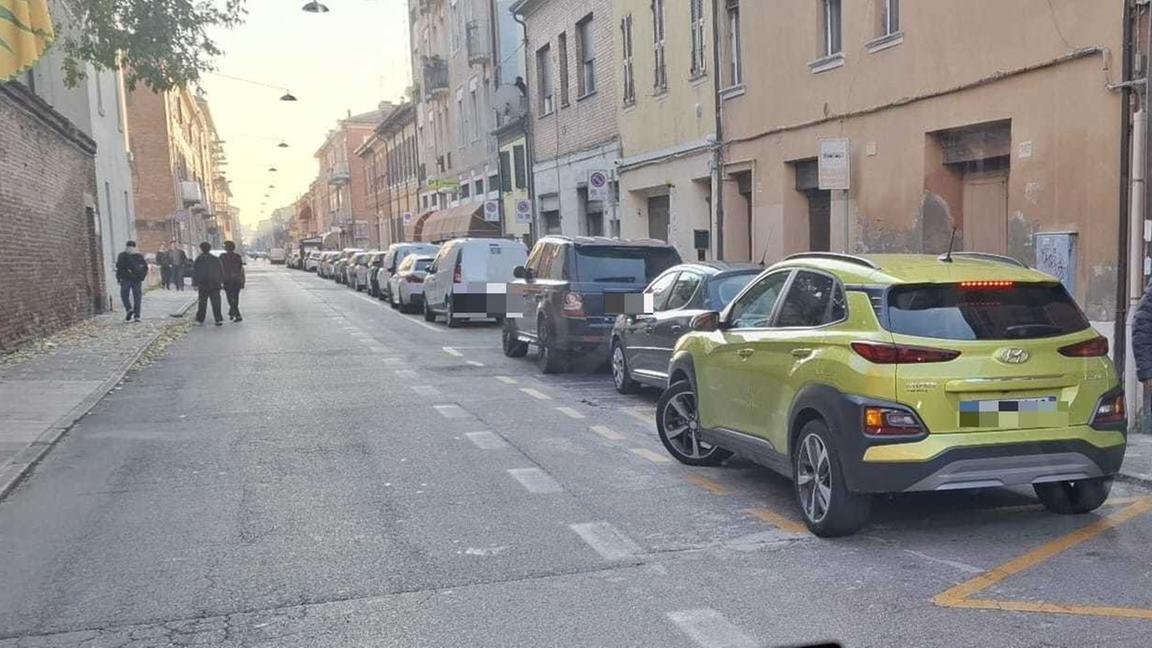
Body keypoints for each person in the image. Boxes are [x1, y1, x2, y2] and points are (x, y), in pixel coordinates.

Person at [114, 240, 149, 322]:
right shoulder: (139, 256)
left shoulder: (122, 255)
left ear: (126, 246)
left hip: (126, 278)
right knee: (137, 297)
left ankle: (129, 309)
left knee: (124, 294)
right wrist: (141, 277)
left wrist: (118, 278)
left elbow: (119, 268)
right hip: (136, 280)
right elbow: (145, 268)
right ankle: (137, 315)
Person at [193, 242, 225, 326]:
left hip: (203, 284)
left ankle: (200, 318)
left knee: (202, 302)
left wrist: (195, 284)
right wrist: (221, 281)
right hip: (215, 284)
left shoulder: (199, 259)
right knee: (216, 302)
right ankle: (218, 318)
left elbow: (195, 272)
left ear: (201, 249)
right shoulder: (215, 259)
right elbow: (221, 271)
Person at [220, 241, 246, 322]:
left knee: (230, 297)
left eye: (225, 246)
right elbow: (240, 268)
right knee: (235, 297)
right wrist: (242, 280)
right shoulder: (237, 256)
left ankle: (236, 314)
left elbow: (220, 268)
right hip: (236, 280)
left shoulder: (222, 257)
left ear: (227, 248)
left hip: (227, 280)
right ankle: (233, 312)